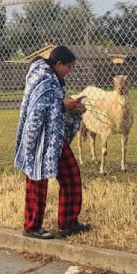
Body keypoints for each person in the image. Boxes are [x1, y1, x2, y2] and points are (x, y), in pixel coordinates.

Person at [14, 46, 91, 239]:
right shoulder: (42, 78)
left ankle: (68, 223)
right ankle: (31, 227)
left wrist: (70, 107)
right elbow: (37, 109)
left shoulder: (54, 78)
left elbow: (52, 106)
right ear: (58, 63)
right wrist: (63, 105)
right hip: (39, 138)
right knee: (37, 181)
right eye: (68, 67)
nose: (69, 71)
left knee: (71, 175)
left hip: (55, 138)